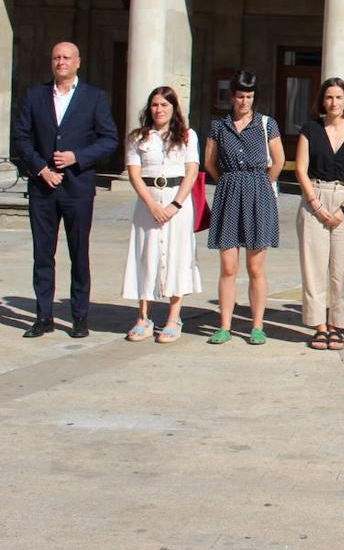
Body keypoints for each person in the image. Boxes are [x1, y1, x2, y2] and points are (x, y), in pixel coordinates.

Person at [13, 41, 118, 338]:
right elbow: (21, 137)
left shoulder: (94, 97)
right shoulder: (35, 95)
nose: (61, 62)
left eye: (66, 57)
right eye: (56, 57)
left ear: (78, 62)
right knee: (42, 255)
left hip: (77, 188)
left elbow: (109, 139)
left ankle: (79, 317)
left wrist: (78, 157)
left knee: (78, 254)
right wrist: (41, 168)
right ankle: (43, 316)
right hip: (43, 188)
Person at [204, 69, 284, 346]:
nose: (244, 102)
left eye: (249, 97)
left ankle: (257, 325)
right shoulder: (218, 126)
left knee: (255, 266)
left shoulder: (266, 124)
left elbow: (278, 160)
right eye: (240, 96)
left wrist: (261, 184)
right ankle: (224, 325)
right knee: (228, 266)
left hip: (258, 190)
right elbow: (210, 163)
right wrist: (228, 182)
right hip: (228, 191)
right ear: (231, 97)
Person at [120, 87, 203, 343]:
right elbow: (134, 173)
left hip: (177, 201)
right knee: (145, 254)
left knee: (177, 255)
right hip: (148, 201)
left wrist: (174, 205)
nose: (159, 109)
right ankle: (143, 316)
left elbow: (191, 171)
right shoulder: (138, 138)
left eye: (164, 105)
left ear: (173, 108)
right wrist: (152, 205)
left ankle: (173, 317)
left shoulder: (188, 136)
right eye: (155, 105)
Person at [295, 77, 344, 351]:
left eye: (339, 98)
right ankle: (318, 325)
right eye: (329, 98)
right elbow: (301, 169)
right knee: (313, 268)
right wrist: (315, 204)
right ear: (321, 101)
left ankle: (337, 325)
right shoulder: (310, 129)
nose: (334, 103)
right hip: (314, 197)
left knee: (343, 269)